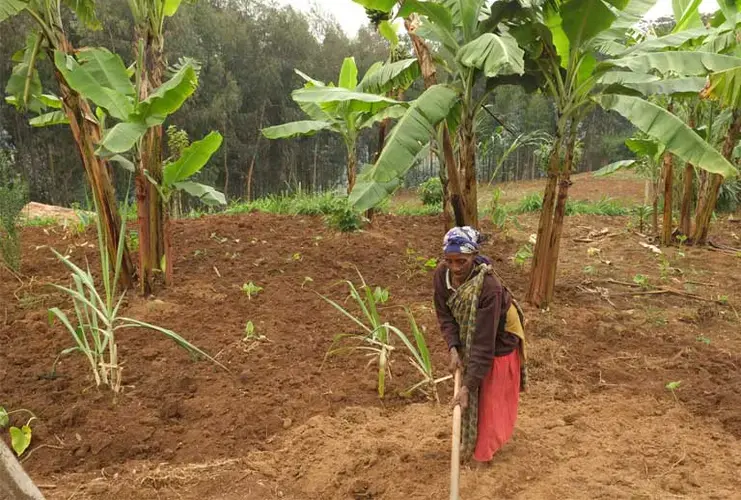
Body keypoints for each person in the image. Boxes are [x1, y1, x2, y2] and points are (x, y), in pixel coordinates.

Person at [433, 226, 527, 465]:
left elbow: (483, 345)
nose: (455, 267)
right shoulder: (441, 275)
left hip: (500, 339)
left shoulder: (489, 288)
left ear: (473, 257)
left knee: (488, 401)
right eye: (450, 260)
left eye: (461, 261)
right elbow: (445, 315)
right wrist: (454, 347)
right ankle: (472, 444)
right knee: (474, 385)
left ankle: (483, 453)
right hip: (475, 336)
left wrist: (466, 386)